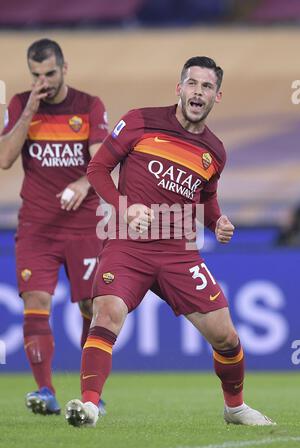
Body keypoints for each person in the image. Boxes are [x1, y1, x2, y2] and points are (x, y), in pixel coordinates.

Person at [65, 56, 275, 427]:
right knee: (107, 314)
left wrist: (218, 223)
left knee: (226, 337)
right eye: (192, 84)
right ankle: (89, 405)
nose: (198, 92)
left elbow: (206, 199)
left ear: (217, 96)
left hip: (179, 253)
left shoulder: (215, 152)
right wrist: (124, 208)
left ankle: (235, 408)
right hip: (128, 245)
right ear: (178, 88)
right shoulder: (139, 121)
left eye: (206, 87)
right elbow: (97, 169)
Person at [0, 38, 108, 415]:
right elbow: (4, 158)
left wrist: (82, 183)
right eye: (35, 75)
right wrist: (29, 108)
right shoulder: (19, 104)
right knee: (36, 301)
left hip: (83, 225)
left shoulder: (89, 105)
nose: (42, 81)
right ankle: (45, 391)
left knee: (91, 304)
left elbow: (102, 163)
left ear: (65, 67)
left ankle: (91, 394)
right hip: (37, 226)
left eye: (49, 73)